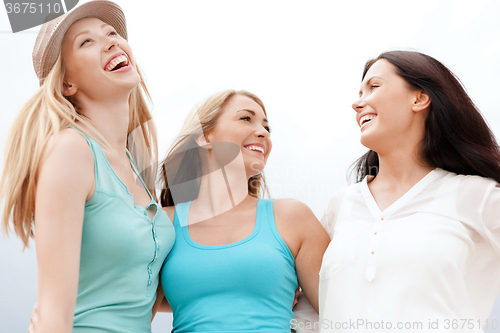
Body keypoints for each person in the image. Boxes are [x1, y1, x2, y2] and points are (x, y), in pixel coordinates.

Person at [0, 1, 175, 332]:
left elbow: (140, 287)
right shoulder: (71, 150)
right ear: (67, 84)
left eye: (110, 33)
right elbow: (53, 312)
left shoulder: (135, 168)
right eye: (86, 41)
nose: (111, 41)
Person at [319, 50, 500, 332]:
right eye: (359, 92)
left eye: (374, 87)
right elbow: (308, 307)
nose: (357, 103)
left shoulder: (476, 196)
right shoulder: (339, 206)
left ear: (419, 98)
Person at [155, 90, 330, 332]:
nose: (264, 133)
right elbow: (132, 305)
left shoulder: (292, 217)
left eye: (267, 127)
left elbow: (342, 311)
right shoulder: (162, 223)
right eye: (246, 118)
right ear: (205, 136)